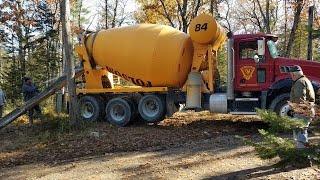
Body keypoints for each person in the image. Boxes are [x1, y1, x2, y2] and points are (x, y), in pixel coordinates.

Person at [288, 65, 315, 149]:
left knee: (300, 135)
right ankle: (303, 154)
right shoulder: (305, 80)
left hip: (302, 112)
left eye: (291, 74)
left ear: (293, 74)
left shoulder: (299, 82)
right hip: (307, 111)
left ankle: (302, 156)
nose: (291, 76)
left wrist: (294, 108)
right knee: (302, 133)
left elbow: (300, 100)